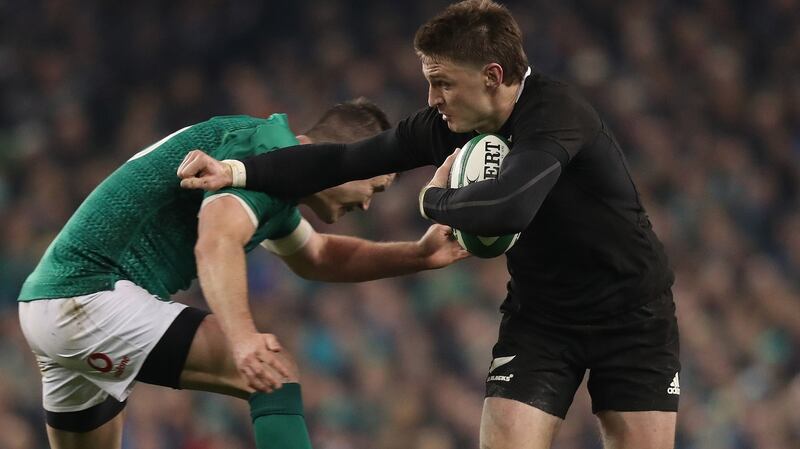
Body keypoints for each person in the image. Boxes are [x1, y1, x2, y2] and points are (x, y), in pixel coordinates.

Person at [177, 1, 681, 448]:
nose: (432, 98)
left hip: (633, 315)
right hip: (542, 318)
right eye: (429, 82)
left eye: (443, 82)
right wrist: (237, 171)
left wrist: (433, 199)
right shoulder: (448, 126)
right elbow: (344, 160)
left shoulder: (555, 114)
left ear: (492, 75)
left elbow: (508, 209)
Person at [17, 98, 468, 449]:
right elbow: (216, 240)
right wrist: (242, 338)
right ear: (347, 157)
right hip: (90, 294)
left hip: (52, 304)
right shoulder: (265, 148)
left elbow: (317, 256)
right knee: (271, 372)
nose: (368, 204)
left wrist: (419, 255)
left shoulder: (278, 177)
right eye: (375, 185)